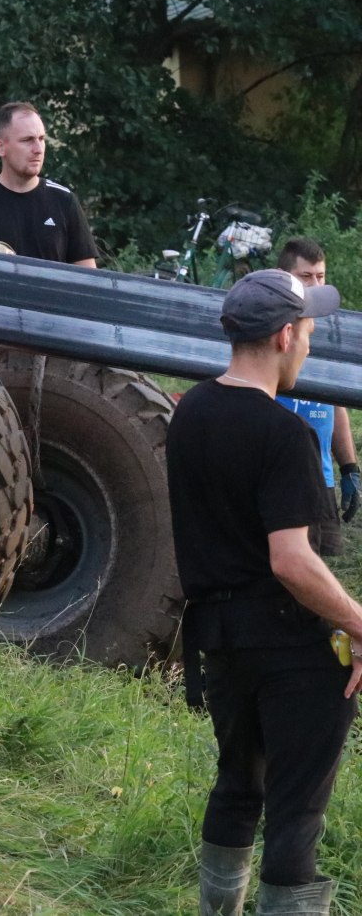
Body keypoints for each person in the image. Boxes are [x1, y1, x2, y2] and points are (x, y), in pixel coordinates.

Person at [166, 269, 361, 915]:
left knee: (236, 786)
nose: (308, 344)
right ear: (283, 335)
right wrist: (359, 622)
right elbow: (291, 561)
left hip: (219, 642)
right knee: (295, 813)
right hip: (290, 647)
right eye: (307, 331)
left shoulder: (188, 412)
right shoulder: (284, 434)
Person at [276, 237, 361, 558]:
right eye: (305, 276)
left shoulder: (327, 333)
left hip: (321, 482)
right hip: (276, 477)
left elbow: (333, 402)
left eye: (320, 277)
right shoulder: (268, 327)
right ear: (283, 275)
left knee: (323, 570)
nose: (314, 284)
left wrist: (350, 468)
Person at [0, 101, 97, 266]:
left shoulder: (64, 201)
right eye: (28, 140)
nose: (38, 149)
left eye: (41, 139)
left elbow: (88, 280)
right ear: (1, 147)